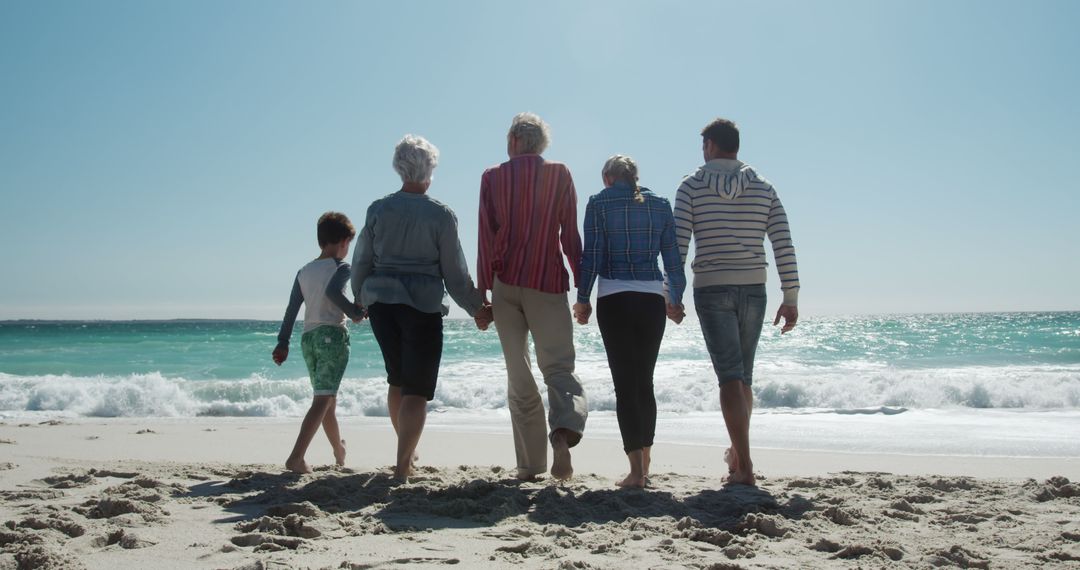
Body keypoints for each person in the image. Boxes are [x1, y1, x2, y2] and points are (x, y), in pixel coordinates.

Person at [352, 134, 492, 481]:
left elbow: (361, 262)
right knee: (417, 387)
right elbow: (455, 274)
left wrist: (360, 298)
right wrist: (478, 307)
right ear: (429, 170)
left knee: (397, 380)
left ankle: (407, 454)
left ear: (399, 168)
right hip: (422, 305)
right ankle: (402, 467)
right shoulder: (441, 216)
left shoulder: (378, 209)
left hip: (382, 303)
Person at [674, 118, 800, 486]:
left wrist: (673, 295)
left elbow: (679, 245)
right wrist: (789, 296)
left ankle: (744, 466)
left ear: (711, 145)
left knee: (729, 376)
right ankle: (736, 453)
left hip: (712, 286)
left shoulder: (691, 186)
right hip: (753, 287)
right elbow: (782, 243)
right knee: (743, 376)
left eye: (703, 146)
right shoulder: (763, 188)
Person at [477, 112, 587, 481]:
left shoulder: (492, 177)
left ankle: (529, 466)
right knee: (558, 368)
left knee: (518, 374)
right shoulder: (559, 174)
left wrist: (482, 295)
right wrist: (583, 290)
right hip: (547, 279)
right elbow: (569, 235)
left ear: (512, 142)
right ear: (541, 144)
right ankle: (562, 435)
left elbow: (485, 239)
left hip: (505, 284)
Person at [572, 155, 686, 488]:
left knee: (625, 383)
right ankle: (645, 465)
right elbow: (673, 261)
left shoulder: (598, 204)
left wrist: (582, 300)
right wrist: (674, 300)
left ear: (608, 178)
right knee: (644, 381)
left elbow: (591, 256)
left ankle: (636, 471)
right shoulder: (660, 205)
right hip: (650, 299)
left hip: (614, 300)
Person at [272, 211, 365, 474]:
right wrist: (356, 313)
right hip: (331, 337)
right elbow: (333, 292)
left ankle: (339, 450)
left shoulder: (303, 271)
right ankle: (296, 457)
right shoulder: (341, 267)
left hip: (307, 339)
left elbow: (291, 310)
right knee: (323, 400)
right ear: (344, 241)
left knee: (327, 400)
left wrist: (282, 342)